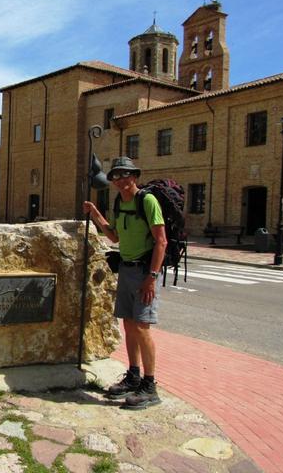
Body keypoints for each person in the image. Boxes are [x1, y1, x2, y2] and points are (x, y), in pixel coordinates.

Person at [83, 156, 167, 410]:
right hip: (127, 269)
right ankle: (133, 376)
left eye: (124, 175)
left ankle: (150, 386)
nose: (119, 180)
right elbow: (115, 236)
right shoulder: (120, 202)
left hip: (144, 272)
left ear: (134, 176)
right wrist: (96, 214)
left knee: (142, 327)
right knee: (129, 325)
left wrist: (152, 277)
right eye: (115, 176)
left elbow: (161, 241)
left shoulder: (147, 200)